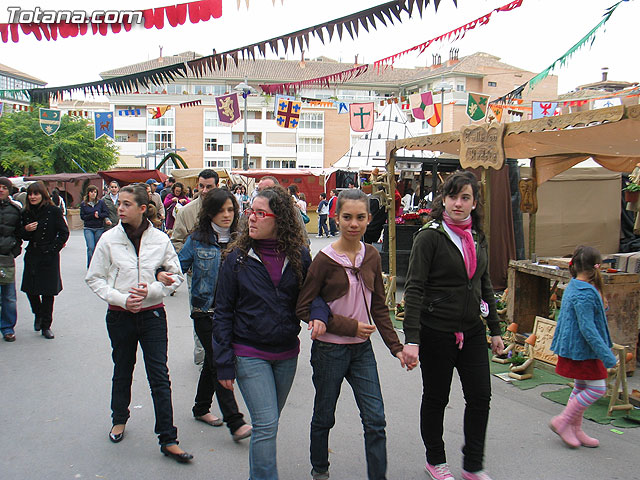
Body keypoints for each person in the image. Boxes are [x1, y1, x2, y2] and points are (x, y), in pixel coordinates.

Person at [296, 188, 408, 480]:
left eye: (360, 217)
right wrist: (348, 326)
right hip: (329, 350)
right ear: (336, 218)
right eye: (347, 217)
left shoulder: (371, 255)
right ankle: (320, 468)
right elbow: (304, 306)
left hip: (362, 351)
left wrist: (397, 348)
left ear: (370, 219)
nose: (353, 224)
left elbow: (380, 307)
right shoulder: (324, 260)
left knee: (375, 420)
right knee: (324, 416)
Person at [403, 170, 503, 480]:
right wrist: (412, 339)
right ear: (443, 199)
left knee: (480, 397)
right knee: (436, 397)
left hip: (472, 329)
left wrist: (496, 329)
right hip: (437, 331)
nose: (458, 203)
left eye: (465, 197)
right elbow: (415, 288)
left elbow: (483, 283)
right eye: (453, 196)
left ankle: (473, 464)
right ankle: (436, 460)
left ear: (474, 202)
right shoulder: (430, 236)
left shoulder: (478, 237)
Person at [85, 184, 193, 463]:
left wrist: (156, 289)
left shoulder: (160, 239)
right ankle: (119, 418)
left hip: (152, 315)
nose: (120, 208)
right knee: (123, 368)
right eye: (119, 203)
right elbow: (94, 278)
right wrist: (121, 299)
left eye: (126, 204)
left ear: (143, 208)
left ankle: (168, 438)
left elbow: (175, 276)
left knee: (159, 375)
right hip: (120, 315)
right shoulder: (109, 239)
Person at [212, 185, 311, 480]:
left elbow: (313, 296)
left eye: (259, 213)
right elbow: (222, 312)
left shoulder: (299, 256)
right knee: (266, 425)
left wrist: (319, 316)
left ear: (279, 219)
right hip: (248, 352)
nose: (250, 219)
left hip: (286, 354)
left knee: (268, 424)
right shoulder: (237, 259)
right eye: (250, 212)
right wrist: (224, 362)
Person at [177, 189, 252, 442]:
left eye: (231, 210)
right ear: (210, 212)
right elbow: (178, 267)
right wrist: (161, 276)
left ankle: (200, 408)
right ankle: (235, 421)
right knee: (219, 361)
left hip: (233, 313)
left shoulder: (242, 239)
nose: (227, 215)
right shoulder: (197, 239)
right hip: (205, 311)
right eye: (221, 211)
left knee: (212, 361)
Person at [549, 245, 617, 449]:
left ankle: (575, 428)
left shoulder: (577, 286)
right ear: (597, 267)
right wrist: (608, 357)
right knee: (597, 388)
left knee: (581, 387)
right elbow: (588, 329)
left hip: (578, 349)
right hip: (584, 350)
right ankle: (563, 420)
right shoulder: (585, 293)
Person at [21, 181, 70, 340]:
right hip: (33, 253)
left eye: (36, 194)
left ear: (43, 194)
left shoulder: (53, 211)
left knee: (48, 292)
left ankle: (46, 325)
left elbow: (63, 233)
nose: (33, 197)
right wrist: (26, 230)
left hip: (49, 254)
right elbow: (20, 234)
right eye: (30, 194)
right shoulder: (26, 212)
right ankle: (38, 313)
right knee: (30, 289)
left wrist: (53, 249)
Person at [171, 169, 220, 252]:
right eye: (201, 186)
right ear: (197, 186)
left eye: (209, 187)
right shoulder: (185, 212)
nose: (204, 191)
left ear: (217, 186)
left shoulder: (226, 210)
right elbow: (176, 242)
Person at [0, 177, 22, 342]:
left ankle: (8, 327)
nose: (1, 190)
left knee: (8, 295)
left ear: (9, 190)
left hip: (6, 256)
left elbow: (19, 232)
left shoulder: (15, 210)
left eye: (4, 188)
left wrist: (15, 249)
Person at [80, 185, 110, 268]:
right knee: (91, 247)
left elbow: (106, 213)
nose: (93, 194)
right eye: (92, 192)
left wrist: (99, 215)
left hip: (99, 227)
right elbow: (82, 216)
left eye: (95, 192)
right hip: (88, 228)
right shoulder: (84, 204)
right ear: (88, 193)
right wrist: (92, 215)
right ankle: (90, 266)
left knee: (98, 248)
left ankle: (98, 266)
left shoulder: (100, 203)